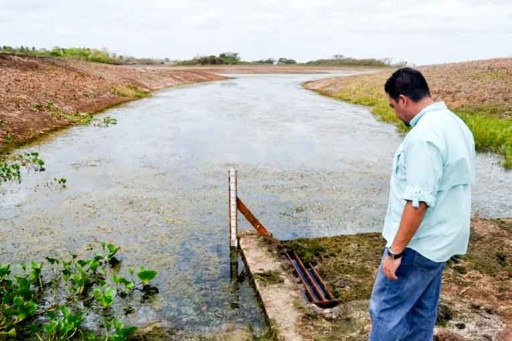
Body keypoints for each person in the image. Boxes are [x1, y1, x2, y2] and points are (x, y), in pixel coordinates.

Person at [369, 68, 476, 340]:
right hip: (441, 241)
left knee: (386, 309)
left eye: (393, 106)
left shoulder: (424, 137)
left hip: (418, 244)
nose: (395, 112)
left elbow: (417, 202)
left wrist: (395, 252)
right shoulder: (455, 124)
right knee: (421, 310)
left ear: (403, 99)